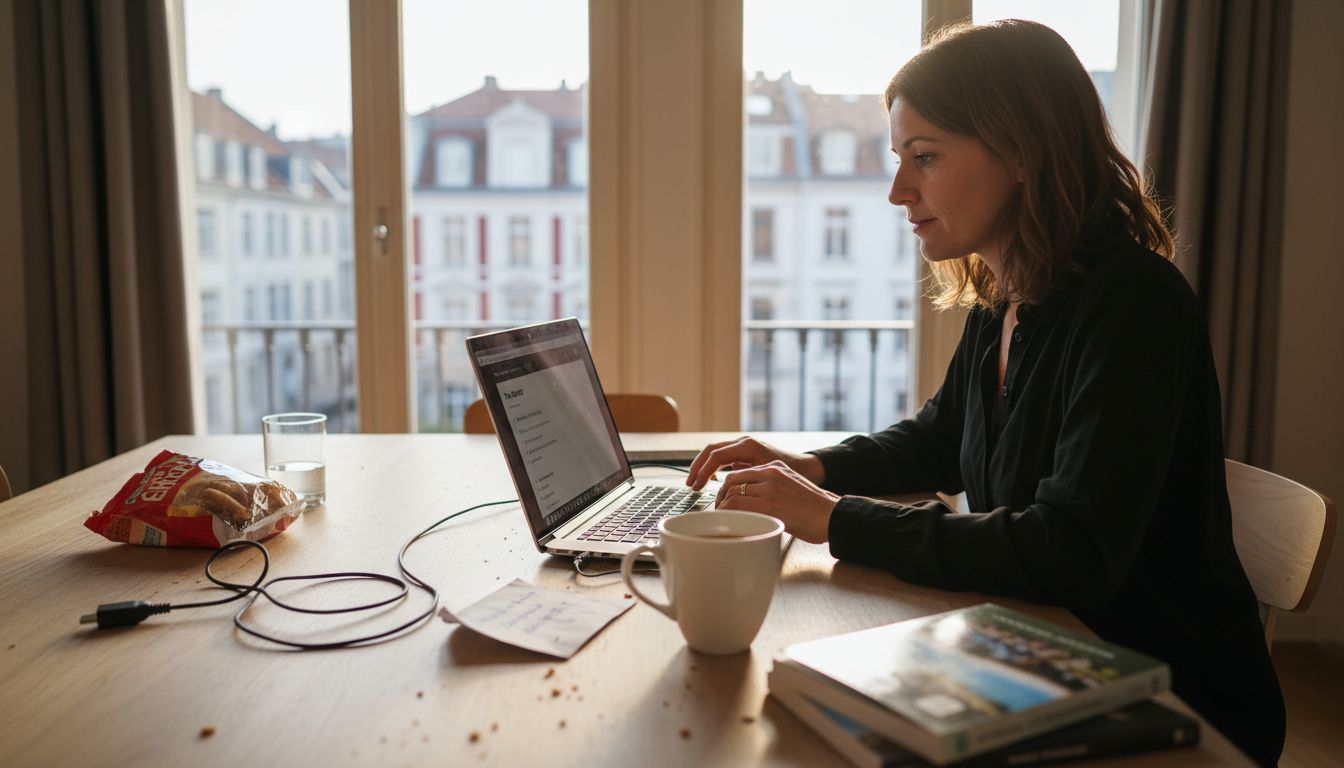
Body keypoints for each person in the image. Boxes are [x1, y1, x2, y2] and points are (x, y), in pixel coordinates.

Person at [686, 19, 1284, 767]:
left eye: (925, 157)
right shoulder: (1008, 294)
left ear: (1022, 151)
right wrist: (811, 469)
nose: (899, 191)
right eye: (899, 159)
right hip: (1048, 641)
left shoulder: (1134, 305)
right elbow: (939, 440)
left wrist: (836, 518)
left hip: (1165, 693)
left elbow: (1070, 551)